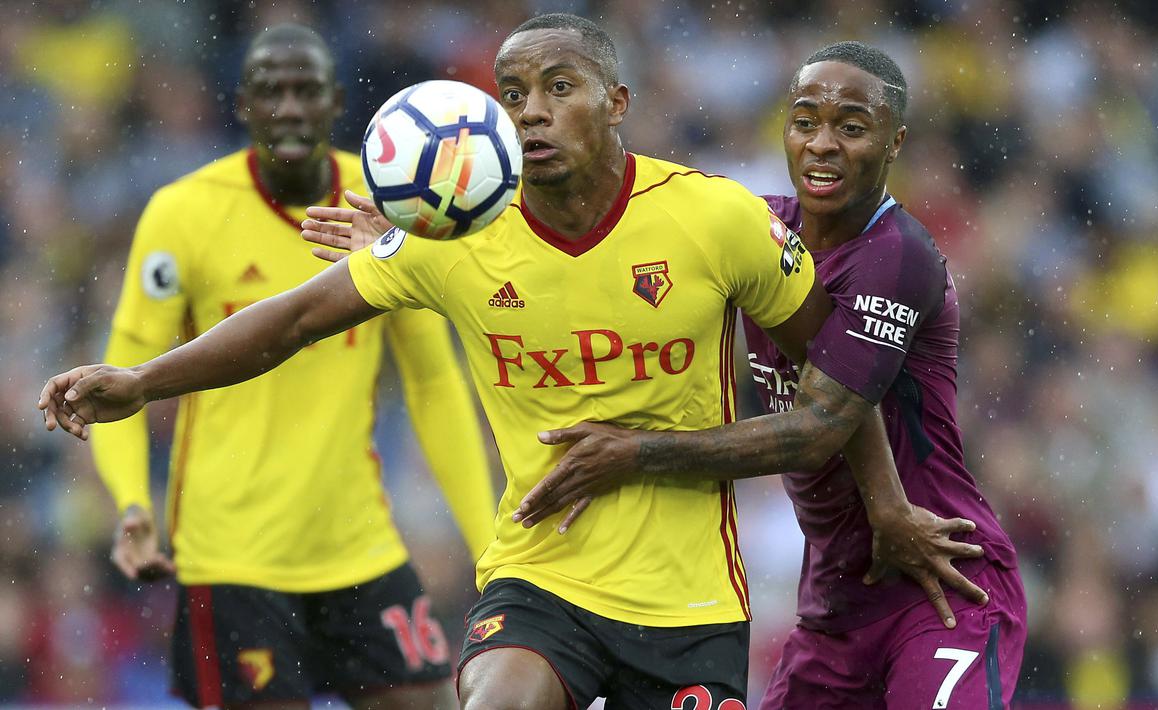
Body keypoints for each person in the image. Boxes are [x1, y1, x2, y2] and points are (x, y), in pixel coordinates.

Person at [42, 16, 979, 710]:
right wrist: (139, 382)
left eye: (558, 87)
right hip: (540, 574)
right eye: (514, 93)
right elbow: (287, 322)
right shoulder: (456, 236)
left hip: (689, 594)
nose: (532, 111)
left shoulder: (712, 218)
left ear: (615, 102)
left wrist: (888, 504)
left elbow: (834, 382)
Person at [513, 41, 1026, 709]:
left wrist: (633, 453)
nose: (822, 145)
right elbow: (608, 247)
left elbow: (818, 430)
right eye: (805, 121)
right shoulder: (756, 229)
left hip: (942, 588)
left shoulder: (897, 258)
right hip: (835, 607)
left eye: (850, 127)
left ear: (893, 141)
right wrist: (441, 231)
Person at [84, 24, 494, 709]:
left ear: (336, 102)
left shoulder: (386, 203)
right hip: (231, 556)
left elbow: (432, 381)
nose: (291, 106)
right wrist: (132, 501)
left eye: (307, 90)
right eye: (272, 91)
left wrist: (487, 544)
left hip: (358, 545)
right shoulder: (184, 213)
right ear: (243, 105)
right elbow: (120, 378)